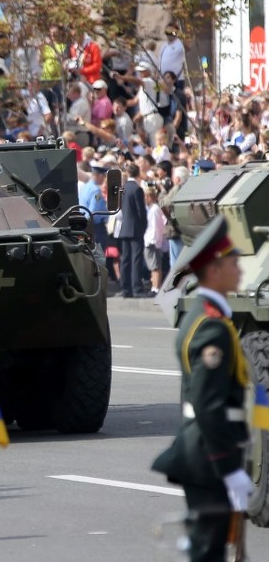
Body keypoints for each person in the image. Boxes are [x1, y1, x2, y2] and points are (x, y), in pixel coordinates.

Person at [152, 215, 253, 562]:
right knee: (208, 552)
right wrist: (229, 468)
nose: (240, 269)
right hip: (210, 457)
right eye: (234, 263)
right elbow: (208, 404)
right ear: (214, 270)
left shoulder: (203, 317)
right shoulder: (211, 327)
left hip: (205, 451)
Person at [116, 162, 148, 298]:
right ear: (138, 173)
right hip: (135, 228)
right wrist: (144, 225)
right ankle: (137, 288)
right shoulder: (137, 189)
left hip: (124, 228)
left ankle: (126, 288)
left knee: (125, 259)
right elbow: (141, 211)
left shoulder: (122, 189)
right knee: (136, 259)